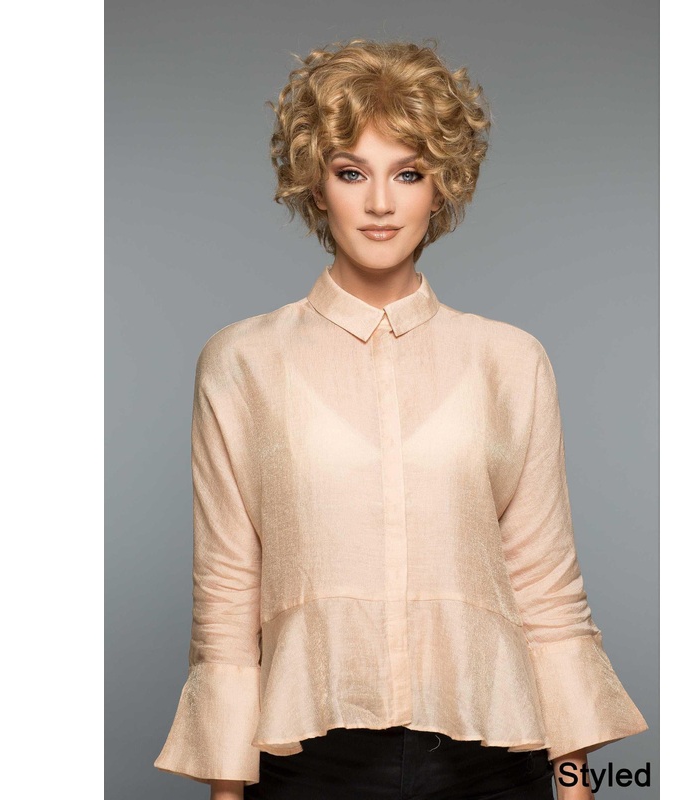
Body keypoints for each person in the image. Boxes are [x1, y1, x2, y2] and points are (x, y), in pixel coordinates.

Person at [153, 38, 648, 800]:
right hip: (309, 765)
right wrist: (226, 792)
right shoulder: (242, 362)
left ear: (440, 187)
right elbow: (226, 596)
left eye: (408, 173)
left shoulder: (509, 361)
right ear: (316, 184)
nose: (380, 203)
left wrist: (577, 786)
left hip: (491, 760)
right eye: (352, 172)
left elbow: (547, 589)